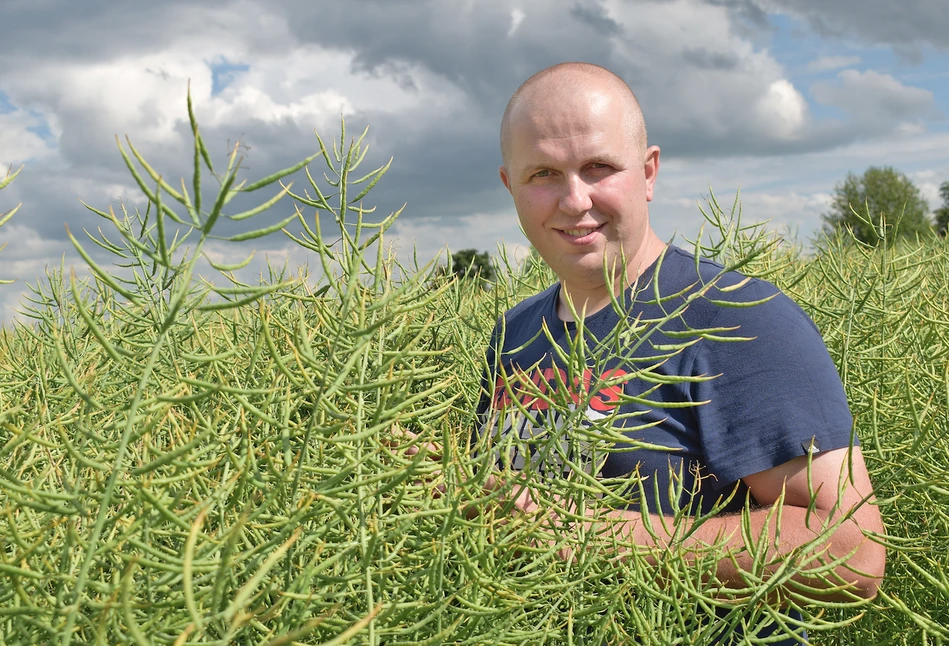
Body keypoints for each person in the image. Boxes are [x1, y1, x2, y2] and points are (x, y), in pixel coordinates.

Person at [467, 61, 886, 644]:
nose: (574, 198)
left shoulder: (736, 319)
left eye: (598, 167)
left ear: (647, 172)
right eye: (543, 173)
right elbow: (508, 505)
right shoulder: (514, 334)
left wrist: (576, 535)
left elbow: (850, 554)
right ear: (511, 185)